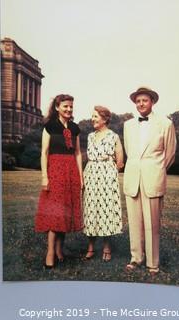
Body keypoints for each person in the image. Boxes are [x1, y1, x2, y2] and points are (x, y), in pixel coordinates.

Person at [123, 87, 176, 276]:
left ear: (152, 101)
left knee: (152, 224)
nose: (141, 104)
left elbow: (169, 155)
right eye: (138, 101)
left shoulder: (165, 124)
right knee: (135, 222)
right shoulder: (128, 125)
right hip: (133, 179)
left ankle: (153, 263)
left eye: (144, 100)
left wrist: (156, 170)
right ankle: (136, 258)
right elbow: (130, 152)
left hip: (153, 178)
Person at [35, 94, 84, 268]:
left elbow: (78, 153)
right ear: (57, 107)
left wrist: (81, 175)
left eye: (71, 106)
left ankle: (59, 249)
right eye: (65, 106)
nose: (69, 109)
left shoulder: (75, 127)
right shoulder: (49, 126)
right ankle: (50, 252)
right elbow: (44, 152)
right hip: (55, 171)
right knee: (55, 212)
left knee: (65, 212)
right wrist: (44, 177)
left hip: (71, 171)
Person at [83, 106, 124, 262]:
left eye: (95, 116)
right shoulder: (90, 136)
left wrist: (110, 170)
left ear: (105, 119)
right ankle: (91, 246)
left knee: (106, 208)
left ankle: (107, 247)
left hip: (107, 174)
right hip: (91, 173)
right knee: (91, 208)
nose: (92, 119)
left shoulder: (113, 136)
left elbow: (120, 160)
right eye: (92, 116)